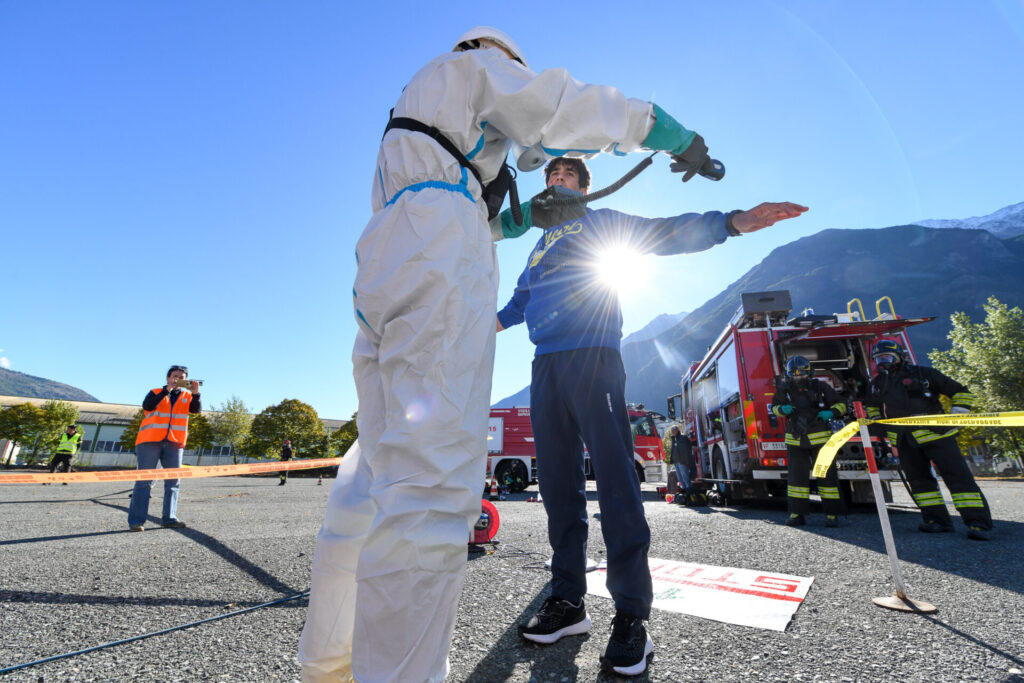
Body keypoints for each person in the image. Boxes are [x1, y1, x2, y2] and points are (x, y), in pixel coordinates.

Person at [299, 25, 740, 683]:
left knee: (379, 463)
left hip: (389, 258)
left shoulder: (422, 112)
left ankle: (329, 662)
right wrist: (666, 131)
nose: (543, 166)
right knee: (431, 483)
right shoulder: (480, 70)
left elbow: (641, 233)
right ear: (502, 58)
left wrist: (725, 223)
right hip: (448, 268)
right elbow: (559, 105)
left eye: (563, 170)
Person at [497, 156, 807, 676]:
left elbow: (664, 233)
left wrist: (731, 222)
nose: (555, 181)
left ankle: (630, 619)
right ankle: (568, 601)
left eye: (565, 176)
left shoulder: (600, 222)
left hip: (594, 355)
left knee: (617, 485)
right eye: (550, 176)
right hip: (544, 366)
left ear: (583, 186)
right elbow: (517, 303)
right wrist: (474, 326)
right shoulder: (538, 244)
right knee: (557, 487)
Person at [866, 339, 993, 540]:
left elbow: (961, 392)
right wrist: (879, 424)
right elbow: (871, 406)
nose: (883, 362)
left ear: (899, 357)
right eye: (879, 359)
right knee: (920, 482)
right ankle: (936, 521)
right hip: (905, 440)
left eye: (887, 357)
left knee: (958, 478)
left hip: (937, 435)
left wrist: (956, 416)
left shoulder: (924, 374)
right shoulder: (879, 384)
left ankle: (978, 523)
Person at [771, 356, 846, 528]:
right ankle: (797, 514)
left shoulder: (821, 387)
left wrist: (832, 412)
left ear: (809, 372)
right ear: (789, 375)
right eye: (795, 374)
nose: (799, 377)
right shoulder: (784, 389)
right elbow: (774, 407)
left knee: (827, 477)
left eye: (802, 373)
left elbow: (841, 403)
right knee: (796, 479)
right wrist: (782, 409)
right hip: (796, 439)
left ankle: (832, 514)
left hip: (821, 440)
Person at [127, 365, 201, 531]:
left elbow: (196, 410)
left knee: (174, 482)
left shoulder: (188, 396)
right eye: (175, 376)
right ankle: (136, 521)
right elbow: (148, 406)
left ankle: (169, 518)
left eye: (181, 377)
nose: (177, 379)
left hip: (174, 443)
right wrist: (166, 391)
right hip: (149, 441)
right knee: (144, 481)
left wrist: (196, 394)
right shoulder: (155, 392)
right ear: (168, 378)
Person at [667, 426, 691, 495]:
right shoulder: (673, 439)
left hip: (682, 461)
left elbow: (688, 448)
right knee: (680, 477)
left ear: (677, 430)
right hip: (676, 461)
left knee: (684, 475)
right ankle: (683, 488)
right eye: (672, 431)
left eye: (674, 430)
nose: (673, 432)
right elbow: (673, 450)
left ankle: (688, 488)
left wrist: (685, 459)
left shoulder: (683, 438)